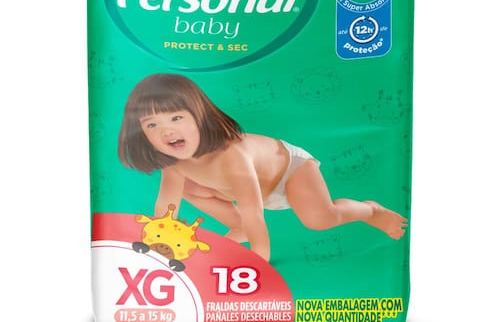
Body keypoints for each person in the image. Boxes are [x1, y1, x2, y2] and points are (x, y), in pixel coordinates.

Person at [118, 73, 407, 262]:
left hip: (290, 172)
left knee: (321, 219)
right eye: (152, 125)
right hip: (245, 190)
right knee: (188, 189)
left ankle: (370, 210)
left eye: (176, 118)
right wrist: (155, 243)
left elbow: (253, 211)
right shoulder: (174, 164)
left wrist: (259, 256)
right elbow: (166, 207)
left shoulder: (232, 155)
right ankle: (238, 229)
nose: (166, 132)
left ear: (200, 116)